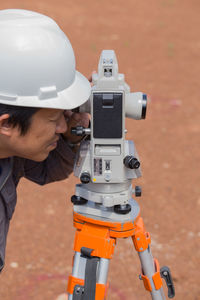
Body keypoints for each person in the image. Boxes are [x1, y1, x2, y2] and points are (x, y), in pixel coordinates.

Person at [0, 9, 91, 272]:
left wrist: (70, 138)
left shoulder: (9, 147)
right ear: (6, 123)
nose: (62, 126)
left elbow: (45, 169)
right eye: (54, 120)